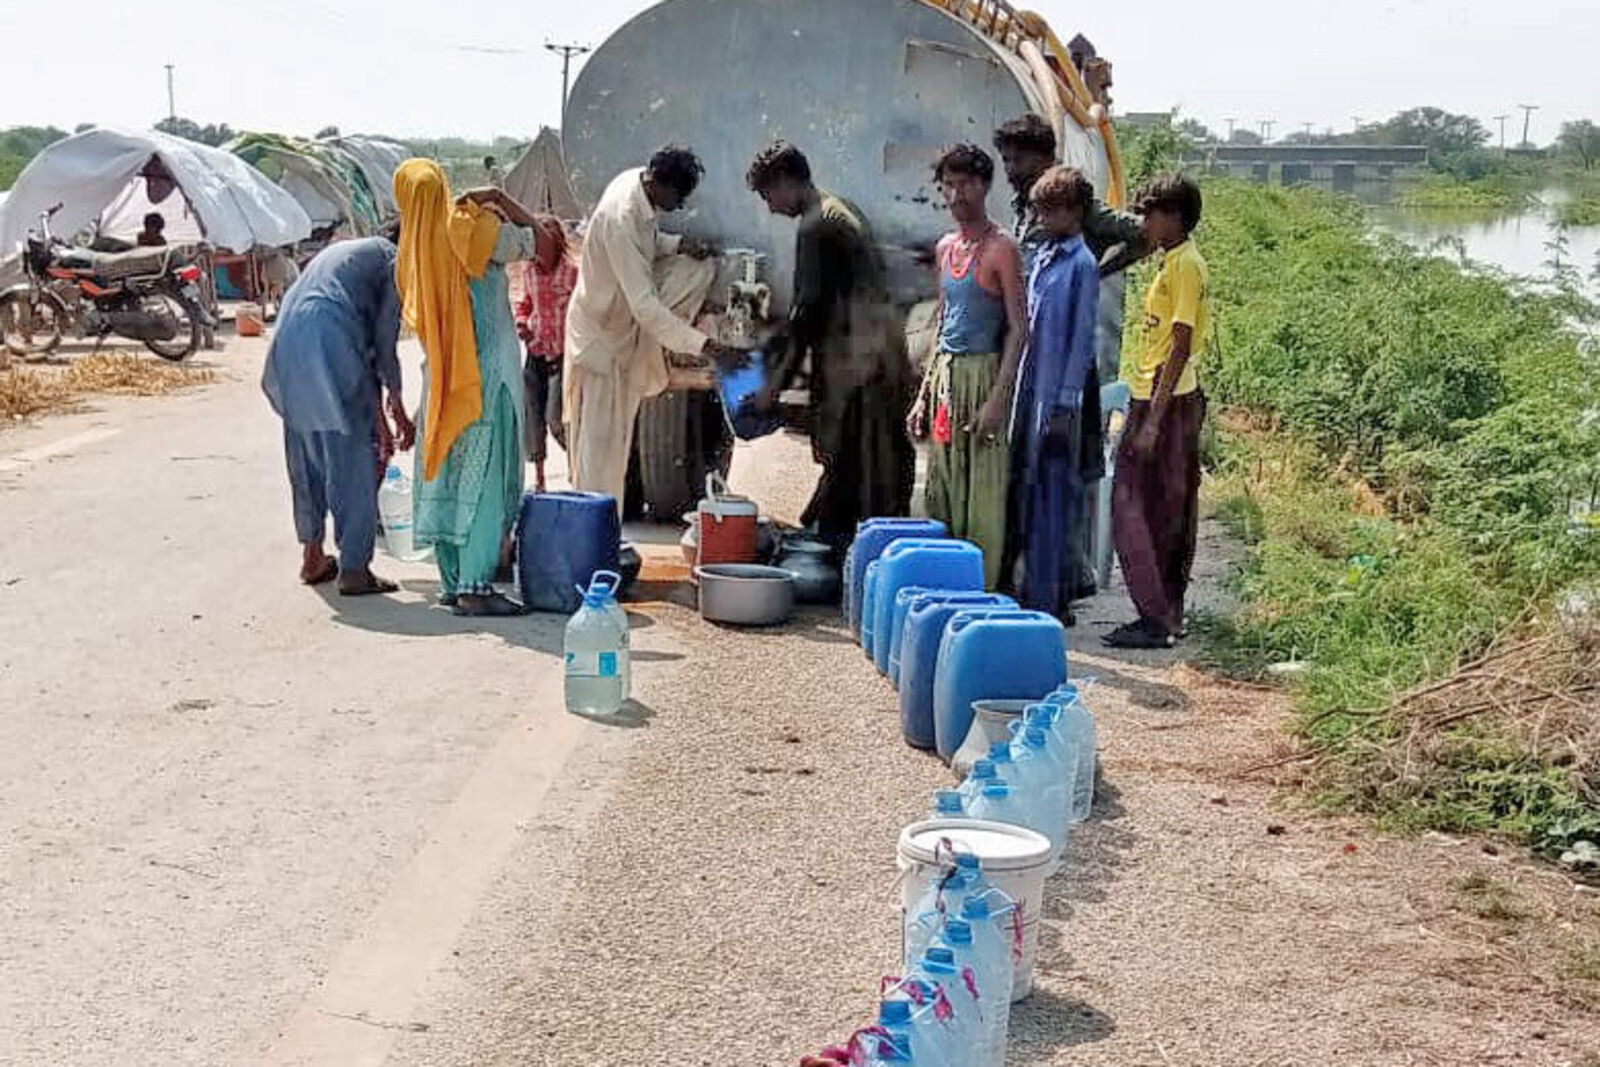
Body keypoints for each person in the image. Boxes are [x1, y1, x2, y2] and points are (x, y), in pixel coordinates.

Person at [394, 158, 553, 617]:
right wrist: (501, 200)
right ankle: (477, 586)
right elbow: (543, 245)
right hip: (485, 379)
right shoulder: (470, 230)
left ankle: (452, 582)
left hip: (439, 382)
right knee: (483, 480)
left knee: (448, 474)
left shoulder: (411, 251)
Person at [747, 141, 915, 549]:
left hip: (860, 363)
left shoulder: (816, 224)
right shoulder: (840, 207)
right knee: (862, 464)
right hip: (876, 353)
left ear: (787, 183)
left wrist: (773, 387)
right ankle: (839, 546)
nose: (769, 207)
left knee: (863, 465)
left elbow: (806, 315)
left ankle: (855, 556)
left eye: (768, 195)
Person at [564, 145, 724, 512]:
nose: (678, 207)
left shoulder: (637, 187)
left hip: (624, 328)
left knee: (697, 268)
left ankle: (602, 537)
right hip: (601, 341)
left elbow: (646, 243)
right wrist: (704, 345)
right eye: (678, 198)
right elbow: (644, 305)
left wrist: (680, 244)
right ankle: (590, 540)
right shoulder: (622, 216)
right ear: (658, 183)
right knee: (599, 459)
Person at [261, 235, 412, 595]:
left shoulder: (354, 252)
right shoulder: (394, 261)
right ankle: (355, 568)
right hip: (329, 333)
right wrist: (398, 405)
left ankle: (312, 555)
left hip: (290, 332)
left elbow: (366, 346)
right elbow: (382, 342)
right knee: (353, 454)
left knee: (304, 447)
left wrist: (382, 409)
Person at [911, 144, 1026, 589]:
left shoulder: (1001, 249)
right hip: (946, 380)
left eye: (965, 184)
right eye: (949, 185)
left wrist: (998, 401)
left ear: (983, 187)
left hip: (983, 378)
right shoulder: (946, 247)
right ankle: (944, 587)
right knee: (942, 484)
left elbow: (1020, 330)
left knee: (983, 494)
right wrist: (924, 395)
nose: (956, 194)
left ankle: (980, 594)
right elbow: (943, 322)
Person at [1108, 174, 1210, 649]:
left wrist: (1151, 420)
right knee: (1160, 506)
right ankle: (1163, 612)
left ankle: (1157, 615)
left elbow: (1182, 343)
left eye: (1150, 213)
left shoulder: (1186, 265)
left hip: (1167, 400)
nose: (1143, 222)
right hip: (1156, 396)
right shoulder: (1170, 260)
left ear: (1174, 217)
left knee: (1137, 503)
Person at [1011, 166, 1102, 621]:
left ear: (1076, 212)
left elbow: (1082, 342)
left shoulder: (1083, 265)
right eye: (1040, 209)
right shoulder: (1046, 257)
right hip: (1030, 391)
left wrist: (1066, 405)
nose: (1043, 218)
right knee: (1027, 495)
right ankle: (1031, 589)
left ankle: (1048, 601)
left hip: (1057, 401)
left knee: (1051, 502)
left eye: (1052, 210)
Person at [515, 218, 578, 492]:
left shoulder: (572, 273)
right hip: (535, 354)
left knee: (557, 418)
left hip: (562, 355)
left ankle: (577, 466)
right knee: (533, 419)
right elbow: (525, 304)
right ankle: (540, 480)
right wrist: (521, 322)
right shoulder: (529, 273)